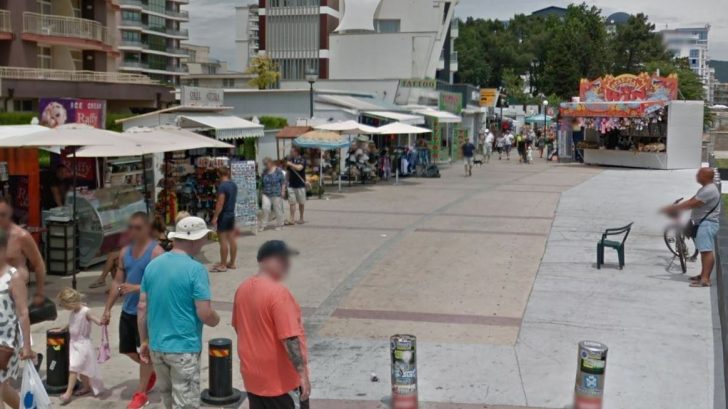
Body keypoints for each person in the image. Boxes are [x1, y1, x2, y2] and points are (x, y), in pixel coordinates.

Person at [138, 216, 220, 409]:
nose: (204, 242)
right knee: (185, 404)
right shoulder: (196, 269)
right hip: (183, 348)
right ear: (194, 240)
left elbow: (142, 307)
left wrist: (144, 341)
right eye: (203, 238)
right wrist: (215, 319)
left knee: (168, 400)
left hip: (157, 347)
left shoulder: (152, 265)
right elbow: (205, 314)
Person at [232, 241, 310, 409]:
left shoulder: (242, 289)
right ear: (266, 261)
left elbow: (239, 327)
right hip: (280, 382)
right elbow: (290, 339)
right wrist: (303, 375)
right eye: (282, 260)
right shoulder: (278, 293)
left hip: (253, 378)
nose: (287, 264)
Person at [100, 213, 163, 409]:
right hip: (128, 310)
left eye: (138, 227)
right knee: (127, 350)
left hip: (147, 312)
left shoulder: (156, 252)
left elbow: (162, 285)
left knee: (145, 354)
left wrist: (136, 288)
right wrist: (107, 308)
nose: (133, 231)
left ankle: (141, 394)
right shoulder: (125, 252)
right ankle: (152, 370)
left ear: (147, 229)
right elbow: (117, 282)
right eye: (131, 227)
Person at [662, 168, 721, 288]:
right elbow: (692, 201)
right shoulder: (705, 188)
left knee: (706, 252)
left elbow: (692, 204)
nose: (697, 176)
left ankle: (705, 280)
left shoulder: (709, 190)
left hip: (707, 224)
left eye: (699, 174)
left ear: (705, 176)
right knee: (703, 251)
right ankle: (703, 275)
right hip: (702, 223)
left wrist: (673, 208)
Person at [0, 229, 32, 409]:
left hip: (6, 342)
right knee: (3, 388)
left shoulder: (14, 277)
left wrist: (27, 346)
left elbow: (23, 313)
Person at [57, 288, 104, 405]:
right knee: (82, 368)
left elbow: (95, 319)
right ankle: (86, 387)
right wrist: (64, 327)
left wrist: (101, 321)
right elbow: (72, 322)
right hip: (74, 344)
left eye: (65, 306)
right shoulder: (74, 311)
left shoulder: (85, 311)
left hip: (83, 345)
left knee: (74, 367)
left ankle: (68, 393)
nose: (65, 308)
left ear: (71, 303)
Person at [211, 168, 238, 273]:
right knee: (232, 240)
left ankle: (223, 265)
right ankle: (232, 263)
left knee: (223, 241)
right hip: (231, 214)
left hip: (224, 215)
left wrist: (215, 217)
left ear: (219, 174)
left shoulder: (222, 186)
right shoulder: (233, 185)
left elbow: (220, 203)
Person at [260, 158, 286, 232]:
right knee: (265, 208)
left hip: (276, 193)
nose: (265, 165)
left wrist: (283, 191)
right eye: (264, 164)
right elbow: (262, 182)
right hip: (266, 193)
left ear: (271, 163)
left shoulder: (278, 171)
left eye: (266, 164)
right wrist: (261, 192)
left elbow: (283, 182)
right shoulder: (264, 171)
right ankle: (263, 224)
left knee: (277, 209)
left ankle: (280, 224)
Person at [286, 148, 307, 225]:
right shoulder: (290, 160)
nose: (290, 153)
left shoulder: (302, 159)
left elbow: (299, 168)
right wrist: (286, 182)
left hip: (300, 185)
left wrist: (291, 164)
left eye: (291, 151)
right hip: (291, 184)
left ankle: (301, 218)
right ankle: (292, 219)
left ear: (296, 152)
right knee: (292, 202)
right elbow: (288, 172)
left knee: (301, 202)